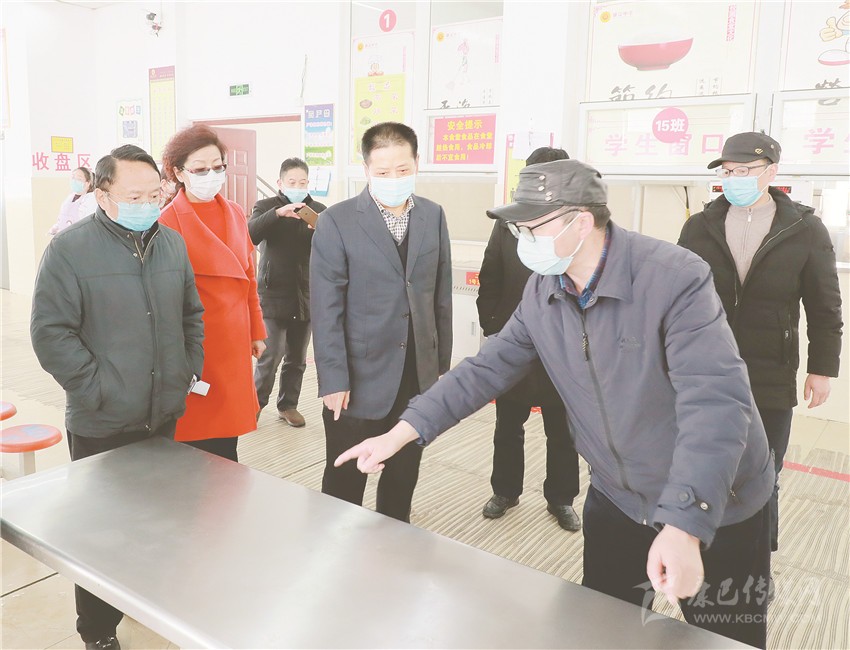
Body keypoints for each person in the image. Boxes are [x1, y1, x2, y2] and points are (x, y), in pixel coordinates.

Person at [335, 159, 775, 649]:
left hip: (717, 501)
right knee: (601, 630)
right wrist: (402, 432)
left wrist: (686, 523)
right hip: (618, 496)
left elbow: (715, 402)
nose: (522, 239)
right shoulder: (545, 289)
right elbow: (486, 369)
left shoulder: (674, 278)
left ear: (580, 222)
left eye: (531, 227)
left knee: (725, 636)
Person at [31, 145, 204, 650]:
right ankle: (98, 630)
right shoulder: (70, 250)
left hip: (162, 412)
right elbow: (51, 333)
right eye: (134, 196)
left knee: (154, 520)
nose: (147, 204)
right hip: (101, 419)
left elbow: (191, 315)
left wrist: (186, 369)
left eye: (154, 195)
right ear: (102, 195)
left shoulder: (171, 244)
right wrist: (98, 389)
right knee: (100, 533)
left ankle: (142, 599)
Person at [678, 132, 843, 559]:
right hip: (705, 367)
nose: (733, 178)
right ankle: (700, 542)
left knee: (764, 467)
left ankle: (756, 553)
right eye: (727, 171)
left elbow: (824, 304)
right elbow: (675, 296)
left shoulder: (804, 229)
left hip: (770, 369)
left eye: (744, 171)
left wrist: (822, 368)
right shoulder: (700, 226)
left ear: (771, 172)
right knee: (704, 460)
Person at [310, 121, 452, 523]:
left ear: (417, 163)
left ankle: (394, 542)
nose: (394, 179)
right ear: (366, 169)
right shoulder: (336, 220)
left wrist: (440, 366)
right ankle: (336, 550)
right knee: (345, 477)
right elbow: (326, 307)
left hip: (416, 373)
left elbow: (440, 295)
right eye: (383, 171)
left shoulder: (432, 215)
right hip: (357, 377)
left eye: (402, 170)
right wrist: (333, 378)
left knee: (403, 474)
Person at [477, 146, 581, 531]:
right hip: (514, 343)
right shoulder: (508, 223)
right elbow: (491, 275)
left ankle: (561, 498)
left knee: (563, 431)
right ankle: (505, 491)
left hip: (564, 348)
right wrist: (493, 327)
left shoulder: (579, 224)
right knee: (507, 425)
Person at [159, 124, 267, 462]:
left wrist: (256, 330)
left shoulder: (234, 211)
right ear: (178, 172)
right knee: (193, 441)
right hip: (195, 344)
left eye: (218, 167)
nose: (212, 175)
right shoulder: (166, 222)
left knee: (226, 441)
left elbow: (248, 277)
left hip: (233, 343)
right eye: (201, 169)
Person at [249, 157, 327, 427]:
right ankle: (255, 405)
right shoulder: (265, 207)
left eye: (302, 182)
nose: (297, 187)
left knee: (297, 358)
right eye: (292, 182)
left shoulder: (319, 211)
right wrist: (278, 214)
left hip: (306, 296)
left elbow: (333, 250)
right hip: (272, 296)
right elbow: (250, 235)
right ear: (280, 183)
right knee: (270, 356)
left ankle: (288, 405)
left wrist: (321, 230)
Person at [48, 167, 98, 235]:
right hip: (65, 237)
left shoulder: (90, 199)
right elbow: (63, 217)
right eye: (73, 178)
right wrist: (57, 227)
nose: (75, 181)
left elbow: (87, 224)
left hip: (79, 237)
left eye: (79, 179)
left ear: (87, 183)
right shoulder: (70, 197)